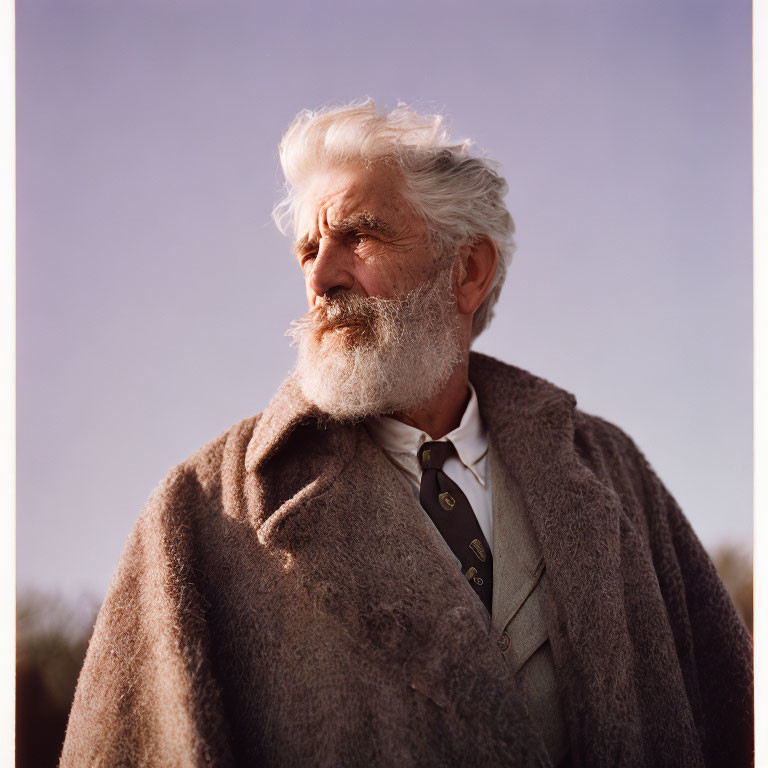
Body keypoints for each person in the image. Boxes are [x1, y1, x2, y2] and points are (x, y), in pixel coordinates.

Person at [60, 99, 753, 768]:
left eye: (359, 235)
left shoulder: (612, 472)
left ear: (468, 271)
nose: (322, 277)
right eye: (308, 249)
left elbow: (735, 723)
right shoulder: (198, 514)